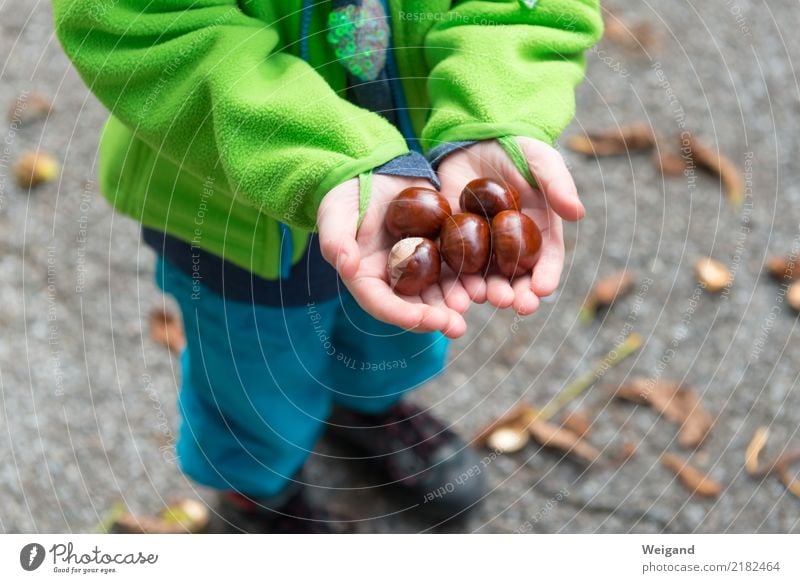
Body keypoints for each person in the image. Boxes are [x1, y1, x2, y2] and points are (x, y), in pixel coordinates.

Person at [53, 0, 602, 532]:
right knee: (255, 374)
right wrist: (323, 158)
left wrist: (492, 113)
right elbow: (144, 26)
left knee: (389, 329)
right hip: (228, 211)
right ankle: (257, 489)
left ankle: (369, 407)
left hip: (414, 179)